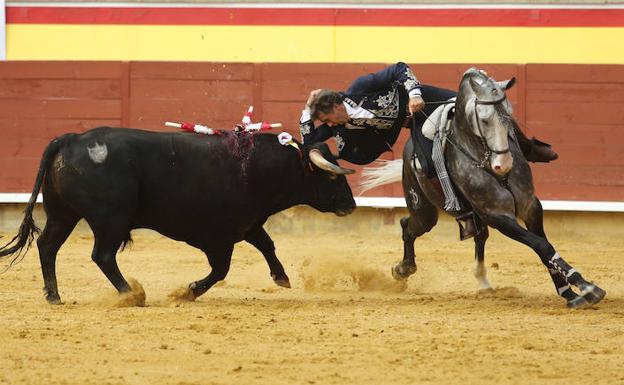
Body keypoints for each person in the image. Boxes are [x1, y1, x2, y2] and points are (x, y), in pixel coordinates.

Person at [299, 62, 557, 238]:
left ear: (336, 105)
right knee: (428, 165)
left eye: (328, 119)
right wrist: (306, 110)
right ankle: (464, 213)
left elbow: (399, 68)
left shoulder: (361, 87)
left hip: (427, 99)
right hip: (415, 123)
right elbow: (309, 140)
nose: (330, 125)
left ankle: (528, 147)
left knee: (485, 111)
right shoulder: (338, 127)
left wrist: (413, 93)